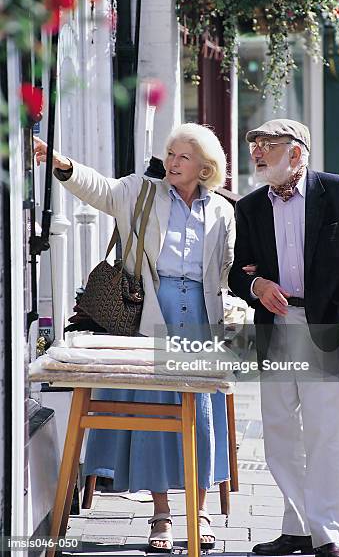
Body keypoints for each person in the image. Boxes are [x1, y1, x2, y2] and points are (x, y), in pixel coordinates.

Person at [34, 123, 236, 552]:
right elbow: (99, 190)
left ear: (204, 166)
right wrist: (61, 163)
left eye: (183, 156)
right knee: (156, 418)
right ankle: (160, 516)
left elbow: (228, 270)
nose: (173, 162)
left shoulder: (221, 210)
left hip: (201, 317)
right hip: (150, 315)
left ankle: (197, 514)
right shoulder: (141, 191)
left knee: (199, 416)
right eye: (170, 153)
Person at [228, 119, 339, 557]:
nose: (257, 153)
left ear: (296, 153)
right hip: (276, 327)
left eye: (268, 146)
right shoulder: (251, 207)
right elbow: (240, 270)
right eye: (255, 145)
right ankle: (298, 527)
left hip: (324, 327)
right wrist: (258, 287)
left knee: (327, 435)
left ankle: (329, 534)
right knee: (279, 436)